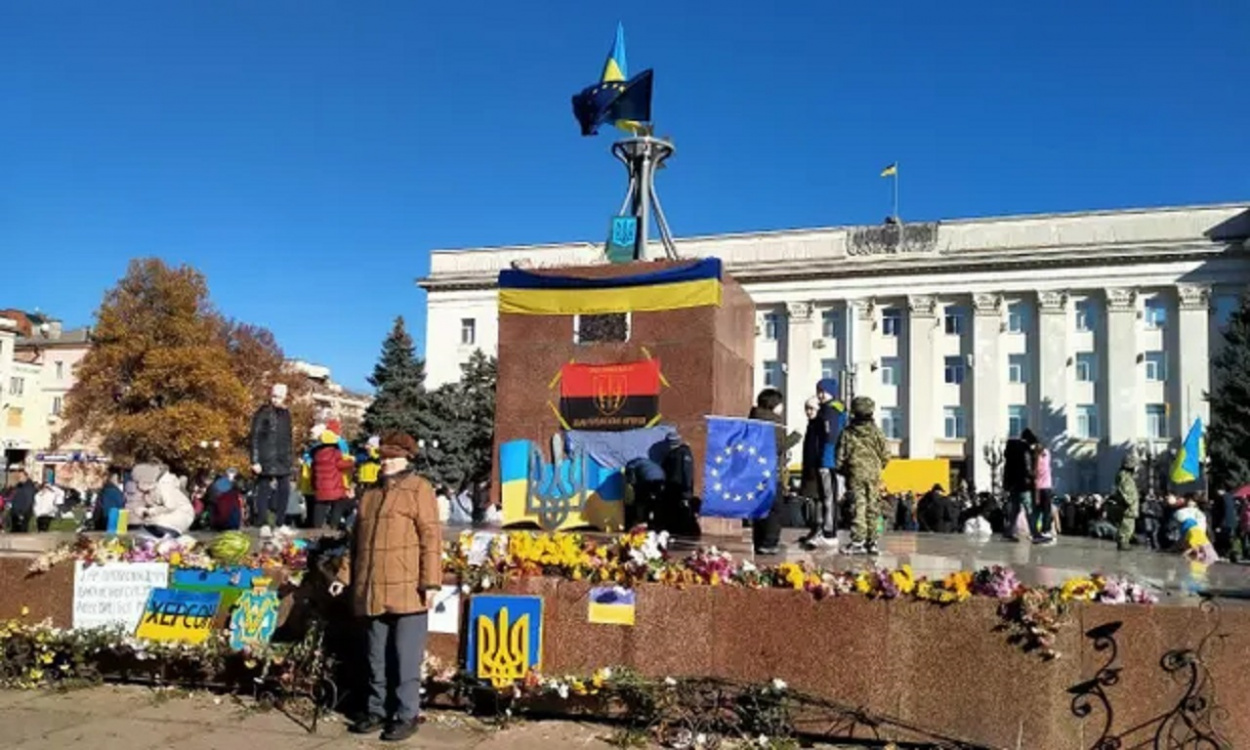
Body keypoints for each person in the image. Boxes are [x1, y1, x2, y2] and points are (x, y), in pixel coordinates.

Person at [329, 431, 442, 743]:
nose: (388, 463)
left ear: (407, 459)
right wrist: (343, 577)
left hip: (408, 590)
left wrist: (430, 582)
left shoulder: (420, 489)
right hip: (372, 588)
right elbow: (356, 544)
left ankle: (406, 715)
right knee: (375, 657)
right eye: (385, 458)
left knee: (405, 659)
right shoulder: (370, 494)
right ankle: (376, 711)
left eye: (394, 458)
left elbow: (431, 539)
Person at [836, 396, 891, 555]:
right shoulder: (877, 432)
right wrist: (878, 466)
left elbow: (839, 457)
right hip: (874, 474)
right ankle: (872, 542)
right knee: (873, 506)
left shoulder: (847, 432)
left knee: (858, 506)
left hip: (855, 474)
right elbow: (886, 454)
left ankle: (858, 541)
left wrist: (844, 470)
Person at [803, 381, 847, 551]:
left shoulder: (830, 410)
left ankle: (829, 534)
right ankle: (826, 531)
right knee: (826, 497)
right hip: (827, 461)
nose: (820, 395)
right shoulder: (833, 409)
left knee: (829, 498)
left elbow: (830, 437)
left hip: (828, 462)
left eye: (823, 392)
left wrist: (825, 459)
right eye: (819, 391)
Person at [749, 388, 789, 555]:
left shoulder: (752, 419)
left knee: (759, 507)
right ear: (774, 404)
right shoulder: (774, 423)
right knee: (774, 508)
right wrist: (795, 437)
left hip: (754, 473)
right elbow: (778, 447)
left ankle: (759, 542)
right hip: (771, 473)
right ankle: (770, 543)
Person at [249, 383, 294, 529]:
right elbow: (254, 436)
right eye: (274, 396)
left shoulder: (286, 413)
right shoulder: (263, 412)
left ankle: (280, 522)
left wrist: (289, 458)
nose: (276, 400)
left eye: (279, 397)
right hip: (265, 456)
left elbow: (288, 437)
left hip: (282, 457)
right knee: (263, 488)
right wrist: (255, 460)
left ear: (285, 397)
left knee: (285, 489)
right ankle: (262, 521)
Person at [126, 462, 195, 537]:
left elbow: (170, 506)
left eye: (137, 482)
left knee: (154, 523)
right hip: (171, 516)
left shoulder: (164, 486)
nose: (136, 486)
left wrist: (149, 511)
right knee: (147, 525)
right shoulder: (151, 489)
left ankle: (165, 537)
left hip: (179, 516)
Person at [310, 425, 356, 530]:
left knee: (320, 505)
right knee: (339, 503)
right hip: (335, 486)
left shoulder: (317, 454)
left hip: (320, 486)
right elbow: (342, 465)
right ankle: (333, 524)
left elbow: (313, 470)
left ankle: (317, 525)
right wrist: (352, 462)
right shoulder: (335, 453)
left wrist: (313, 484)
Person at [1001, 429, 1037, 542]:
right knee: (1028, 508)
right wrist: (1032, 477)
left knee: (1015, 509)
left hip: (1013, 484)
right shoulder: (1025, 449)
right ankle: (1034, 532)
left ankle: (1009, 531)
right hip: (1024, 484)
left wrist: (1007, 484)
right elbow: (1027, 467)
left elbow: (1007, 468)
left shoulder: (1011, 449)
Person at [1030, 439, 1057, 545]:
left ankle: (1034, 532)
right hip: (1046, 487)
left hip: (1038, 488)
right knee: (1046, 511)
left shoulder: (1035, 461)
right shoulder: (1046, 455)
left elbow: (1035, 476)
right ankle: (1045, 531)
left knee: (1036, 511)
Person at [1113, 452, 1140, 552]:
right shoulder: (1125, 477)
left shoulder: (1127, 476)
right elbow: (1125, 491)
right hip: (1128, 509)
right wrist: (1129, 503)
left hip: (1130, 509)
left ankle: (1125, 542)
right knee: (1126, 527)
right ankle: (1123, 543)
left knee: (1129, 527)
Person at [5, 466, 37, 532]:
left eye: (21, 477)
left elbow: (28, 501)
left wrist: (22, 513)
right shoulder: (18, 486)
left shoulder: (29, 487)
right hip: (15, 512)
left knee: (21, 532)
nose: (19, 478)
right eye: (18, 477)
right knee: (14, 531)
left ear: (26, 476)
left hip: (23, 513)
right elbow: (13, 497)